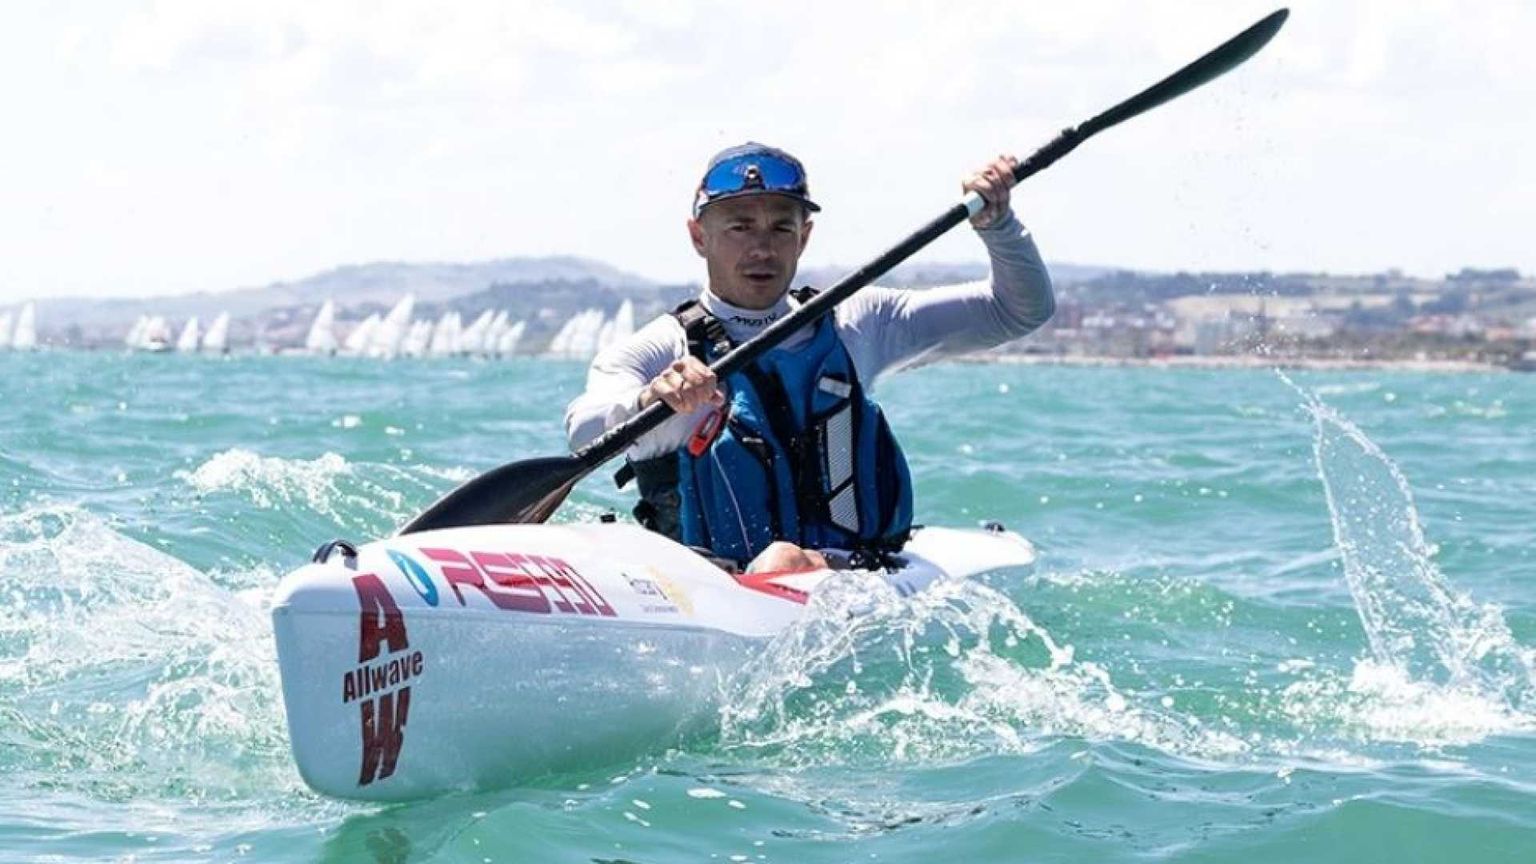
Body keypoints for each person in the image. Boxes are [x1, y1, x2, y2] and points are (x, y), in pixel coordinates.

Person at [565, 142, 1053, 573]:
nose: (762, 247)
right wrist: (653, 399)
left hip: (855, 577)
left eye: (781, 227)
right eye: (739, 226)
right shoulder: (660, 350)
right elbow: (586, 433)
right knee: (780, 561)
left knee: (786, 561)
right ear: (699, 237)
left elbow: (1016, 311)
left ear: (805, 237)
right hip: (713, 585)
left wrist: (999, 224)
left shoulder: (857, 320)